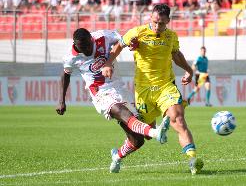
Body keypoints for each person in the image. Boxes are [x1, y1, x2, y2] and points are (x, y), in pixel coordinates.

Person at [102, 4, 204, 175]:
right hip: (144, 91)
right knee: (145, 135)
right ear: (151, 17)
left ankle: (193, 160)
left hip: (166, 87)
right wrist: (107, 63)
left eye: (162, 23)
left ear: (168, 22)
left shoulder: (171, 36)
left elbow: (176, 54)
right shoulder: (137, 32)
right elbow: (118, 46)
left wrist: (189, 70)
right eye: (156, 22)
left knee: (177, 119)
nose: (158, 26)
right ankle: (118, 154)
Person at [55, 28, 170, 173]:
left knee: (139, 140)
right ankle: (156, 132)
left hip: (119, 87)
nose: (86, 50)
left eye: (87, 45)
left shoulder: (103, 36)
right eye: (81, 47)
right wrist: (61, 100)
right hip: (100, 93)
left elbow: (123, 40)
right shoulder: (71, 58)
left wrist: (132, 43)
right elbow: (66, 75)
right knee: (123, 113)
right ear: (75, 44)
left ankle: (117, 155)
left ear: (91, 39)